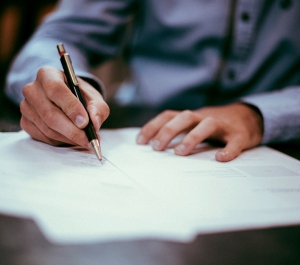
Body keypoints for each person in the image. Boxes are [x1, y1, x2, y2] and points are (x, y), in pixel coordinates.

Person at [4, 0, 300, 162]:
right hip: (141, 129)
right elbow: (59, 36)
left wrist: (257, 115)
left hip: (280, 142)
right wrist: (59, 91)